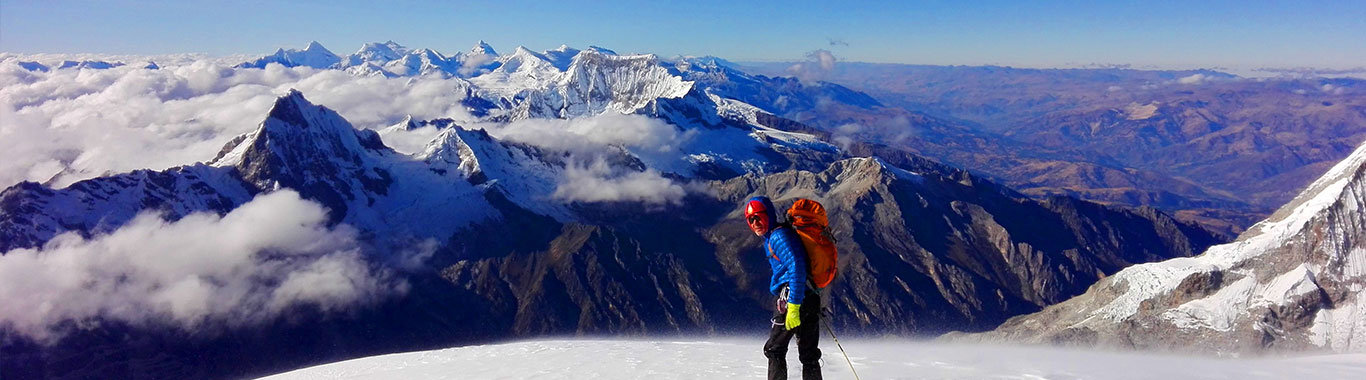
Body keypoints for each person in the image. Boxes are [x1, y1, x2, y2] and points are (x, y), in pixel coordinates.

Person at [744, 196, 822, 380]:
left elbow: (797, 266)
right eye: (751, 219)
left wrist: (793, 305)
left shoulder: (778, 237)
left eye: (758, 217)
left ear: (769, 215)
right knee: (808, 354)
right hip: (810, 296)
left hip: (792, 298)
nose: (755, 223)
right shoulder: (781, 234)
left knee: (774, 349)